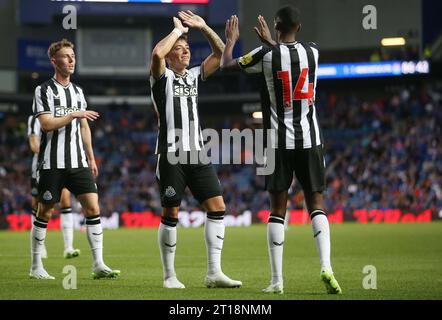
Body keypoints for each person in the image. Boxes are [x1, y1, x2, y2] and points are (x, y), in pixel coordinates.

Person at [221, 6, 342, 294]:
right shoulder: (313, 52)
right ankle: (326, 266)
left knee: (277, 210)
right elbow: (289, 55)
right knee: (316, 204)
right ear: (298, 27)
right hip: (310, 140)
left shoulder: (265, 56)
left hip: (277, 143)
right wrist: (273, 43)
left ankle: (277, 282)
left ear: (275, 27)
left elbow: (227, 65)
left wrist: (232, 40)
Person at [150, 11, 242, 289]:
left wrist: (202, 27)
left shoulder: (193, 76)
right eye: (179, 49)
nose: (185, 50)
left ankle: (214, 272)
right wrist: (177, 32)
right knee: (171, 213)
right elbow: (156, 54)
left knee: (217, 207)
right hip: (171, 154)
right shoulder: (161, 77)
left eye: (187, 48)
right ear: (171, 56)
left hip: (197, 153)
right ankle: (169, 276)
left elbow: (220, 53)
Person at [29, 39, 120, 280]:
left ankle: (98, 264)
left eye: (73, 56)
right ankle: (36, 266)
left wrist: (91, 157)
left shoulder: (78, 92)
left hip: (78, 161)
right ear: (53, 61)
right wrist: (72, 115)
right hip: (52, 163)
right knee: (45, 211)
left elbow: (84, 128)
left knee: (93, 207)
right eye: (66, 56)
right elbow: (46, 124)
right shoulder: (44, 90)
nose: (71, 60)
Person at [28, 115, 81, 259]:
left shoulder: (61, 113)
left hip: (61, 164)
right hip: (41, 165)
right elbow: (33, 144)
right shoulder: (35, 119)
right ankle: (40, 247)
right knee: (37, 205)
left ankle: (68, 247)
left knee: (65, 200)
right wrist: (49, 149)